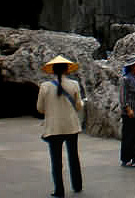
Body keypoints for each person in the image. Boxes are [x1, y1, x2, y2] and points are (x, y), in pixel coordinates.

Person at [37, 56, 84, 197]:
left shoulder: (45, 86)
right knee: (73, 156)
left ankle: (59, 190)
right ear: (66, 70)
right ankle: (77, 185)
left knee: (56, 160)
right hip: (71, 126)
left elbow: (39, 108)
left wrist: (51, 111)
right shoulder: (74, 84)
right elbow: (79, 105)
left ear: (52, 70)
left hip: (53, 128)